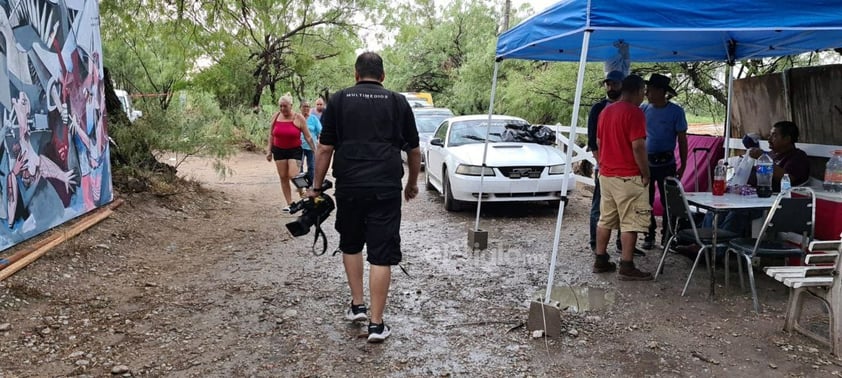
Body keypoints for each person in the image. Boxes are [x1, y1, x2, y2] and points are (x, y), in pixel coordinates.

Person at [307, 52, 421, 343]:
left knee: (352, 244)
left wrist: (316, 187)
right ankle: (376, 324)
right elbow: (414, 151)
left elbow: (324, 149)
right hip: (385, 187)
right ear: (382, 76)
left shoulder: (340, 100)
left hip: (350, 187)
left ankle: (357, 305)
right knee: (381, 254)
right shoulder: (398, 101)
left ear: (356, 75)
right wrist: (411, 184)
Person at [593, 74, 653, 281]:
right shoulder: (635, 113)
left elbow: (599, 142)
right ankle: (627, 265)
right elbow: (638, 145)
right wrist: (645, 172)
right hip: (628, 175)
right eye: (643, 93)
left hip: (607, 173)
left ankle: (600, 259)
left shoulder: (606, 111)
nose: (643, 97)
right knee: (631, 221)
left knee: (605, 219)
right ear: (637, 91)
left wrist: (604, 163)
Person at [641, 73, 688, 250]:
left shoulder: (676, 112)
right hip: (647, 162)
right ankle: (649, 233)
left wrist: (683, 164)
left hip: (667, 163)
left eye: (650, 90)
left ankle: (668, 235)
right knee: (646, 199)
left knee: (670, 201)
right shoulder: (644, 110)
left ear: (661, 91)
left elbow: (682, 140)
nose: (647, 94)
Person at [266, 94, 316, 212]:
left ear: (291, 106)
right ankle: (290, 203)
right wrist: (269, 151)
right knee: (283, 177)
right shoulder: (276, 116)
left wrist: (315, 150)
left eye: (285, 106)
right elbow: (271, 135)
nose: (283, 109)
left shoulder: (298, 118)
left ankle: (305, 197)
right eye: (281, 106)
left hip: (294, 150)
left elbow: (308, 137)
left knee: (294, 175)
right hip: (279, 150)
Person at [299, 100, 322, 187]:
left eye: (308, 106)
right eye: (304, 106)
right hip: (299, 146)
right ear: (300, 108)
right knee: (299, 166)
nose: (306, 108)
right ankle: (301, 186)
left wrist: (321, 142)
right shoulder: (297, 118)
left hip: (311, 146)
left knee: (311, 167)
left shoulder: (313, 119)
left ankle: (311, 185)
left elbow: (320, 131)